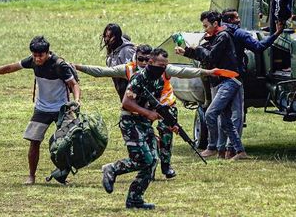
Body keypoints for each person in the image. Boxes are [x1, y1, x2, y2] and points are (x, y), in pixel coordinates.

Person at [75, 44, 217, 178]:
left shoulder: (162, 68)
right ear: (136, 58)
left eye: (146, 59)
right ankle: (148, 168)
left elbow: (184, 72)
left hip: (166, 105)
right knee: (147, 144)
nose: (143, 62)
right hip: (143, 109)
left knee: (166, 132)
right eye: (140, 59)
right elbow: (102, 72)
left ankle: (166, 166)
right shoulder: (130, 70)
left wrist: (207, 72)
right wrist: (77, 67)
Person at [0, 36, 80, 185]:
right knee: (34, 141)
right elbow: (10, 68)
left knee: (68, 141)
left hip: (62, 108)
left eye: (40, 55)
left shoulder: (59, 65)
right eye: (34, 55)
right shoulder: (31, 61)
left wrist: (76, 101)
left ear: (47, 52)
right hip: (42, 108)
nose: (37, 59)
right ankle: (31, 176)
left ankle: (62, 174)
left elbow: (74, 85)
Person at [101, 48, 174, 210]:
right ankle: (111, 169)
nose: (163, 68)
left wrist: (170, 121)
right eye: (160, 64)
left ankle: (135, 199)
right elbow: (126, 102)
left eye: (165, 65)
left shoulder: (159, 81)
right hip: (130, 121)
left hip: (143, 123)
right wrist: (148, 113)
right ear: (150, 62)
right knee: (142, 159)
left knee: (153, 160)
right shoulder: (139, 78)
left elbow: (155, 104)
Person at [175, 11, 248, 160]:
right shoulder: (216, 37)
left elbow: (210, 57)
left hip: (228, 81)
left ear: (215, 24)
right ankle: (240, 151)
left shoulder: (223, 36)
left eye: (206, 26)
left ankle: (212, 147)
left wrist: (198, 48)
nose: (204, 29)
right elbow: (205, 55)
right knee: (226, 119)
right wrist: (187, 52)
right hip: (221, 82)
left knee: (211, 113)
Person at [217, 8, 283, 158]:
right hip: (234, 78)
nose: (239, 20)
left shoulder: (218, 33)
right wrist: (276, 34)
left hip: (218, 78)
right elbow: (258, 47)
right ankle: (233, 149)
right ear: (232, 20)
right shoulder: (239, 33)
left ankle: (220, 149)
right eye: (237, 18)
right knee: (237, 114)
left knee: (221, 114)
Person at [101, 23, 136, 100]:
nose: (106, 39)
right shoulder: (113, 47)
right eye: (106, 36)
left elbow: (133, 74)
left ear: (116, 37)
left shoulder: (127, 51)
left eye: (109, 37)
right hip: (119, 84)